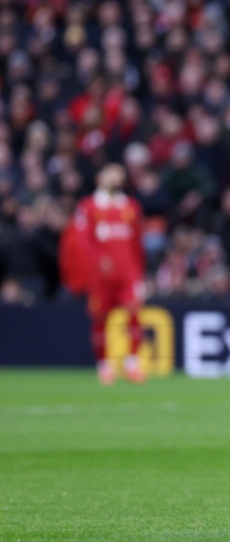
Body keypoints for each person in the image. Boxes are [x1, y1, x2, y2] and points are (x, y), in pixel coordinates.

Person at [61, 164, 148, 385]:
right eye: (111, 172)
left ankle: (132, 364)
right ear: (100, 177)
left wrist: (140, 274)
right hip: (101, 277)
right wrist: (95, 266)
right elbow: (82, 242)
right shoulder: (88, 207)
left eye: (119, 173)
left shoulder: (131, 207)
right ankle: (105, 366)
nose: (116, 177)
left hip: (127, 274)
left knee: (134, 316)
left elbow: (137, 244)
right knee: (100, 319)